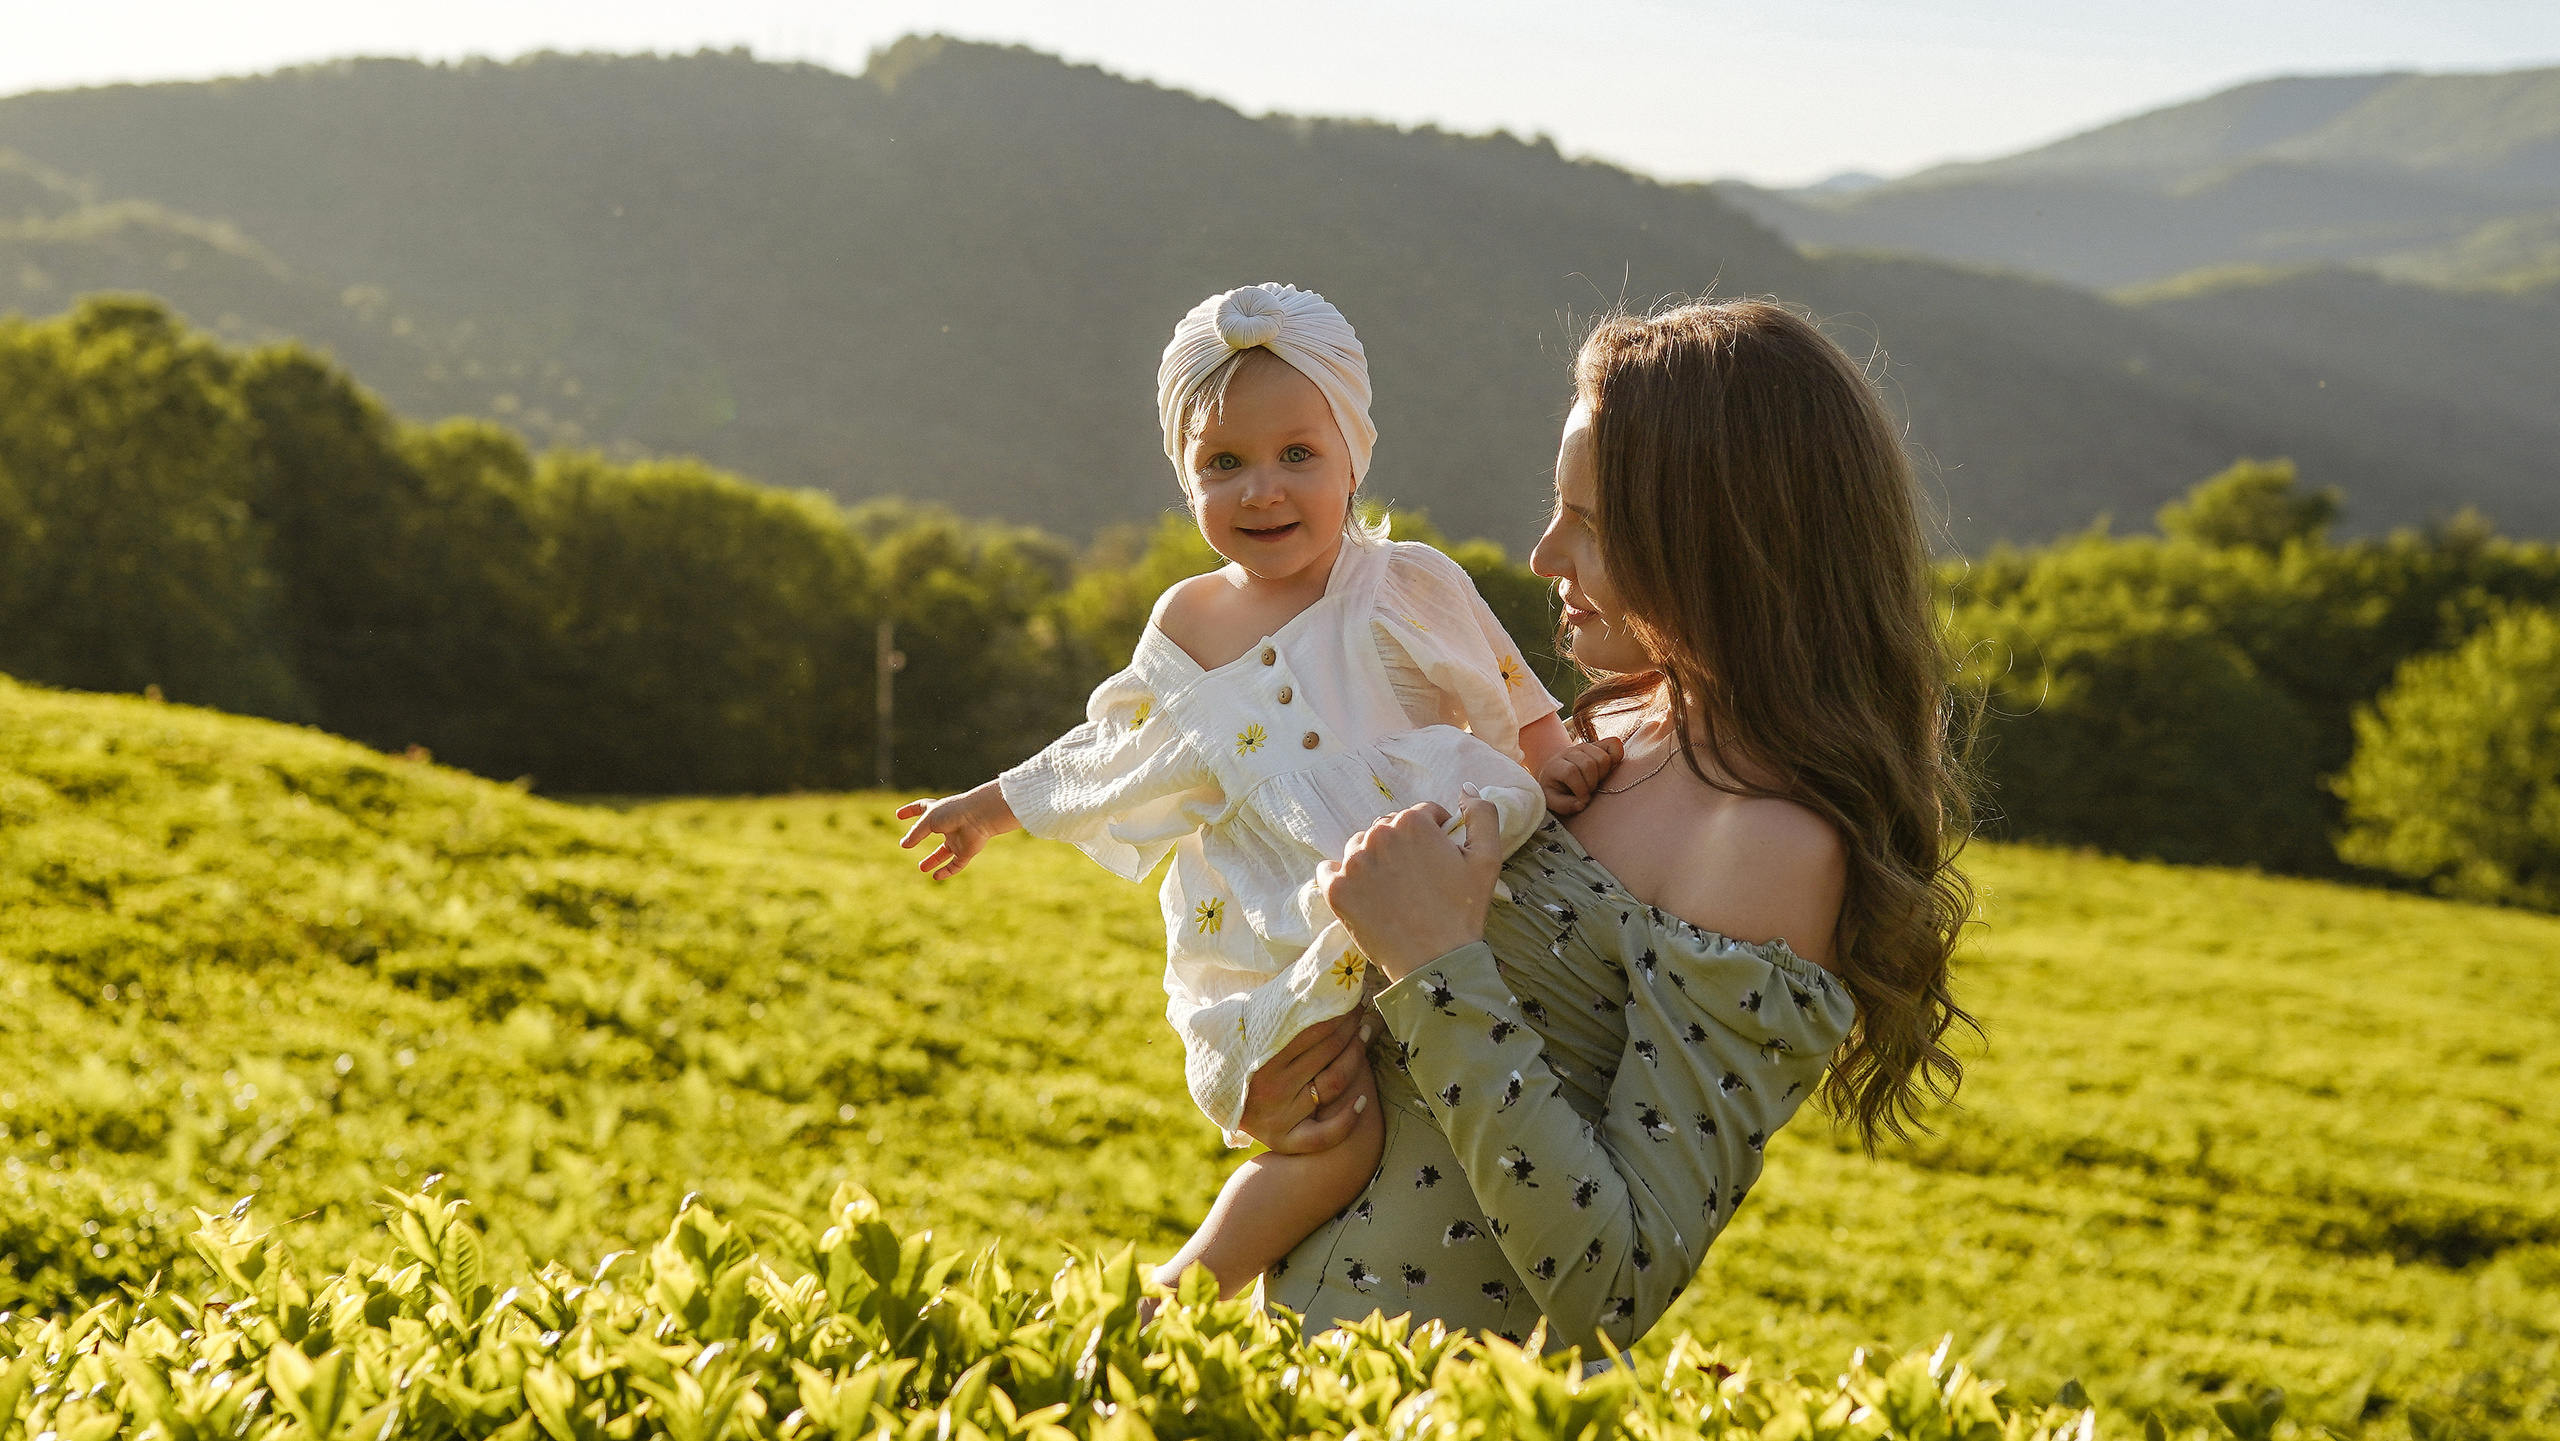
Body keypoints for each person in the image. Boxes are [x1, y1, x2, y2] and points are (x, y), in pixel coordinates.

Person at [1239, 299, 1977, 1357]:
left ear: (1726, 540)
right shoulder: (1609, 726)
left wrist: (1433, 962)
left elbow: (1618, 1283)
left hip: (1444, 1412)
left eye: (1591, 520)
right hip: (1289, 1359)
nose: (1544, 555)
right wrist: (1294, 1081)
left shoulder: (1767, 843)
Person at [895, 282, 1592, 1296]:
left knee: (1450, 1081)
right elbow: (1114, 750)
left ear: (1353, 451)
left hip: (1421, 875)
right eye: (1223, 464)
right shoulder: (1189, 620)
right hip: (1275, 918)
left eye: (1296, 455)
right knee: (1333, 1132)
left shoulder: (1405, 582)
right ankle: (1188, 1285)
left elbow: (1506, 690)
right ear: (1185, 481)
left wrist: (1552, 753)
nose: (1262, 490)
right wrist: (989, 807)